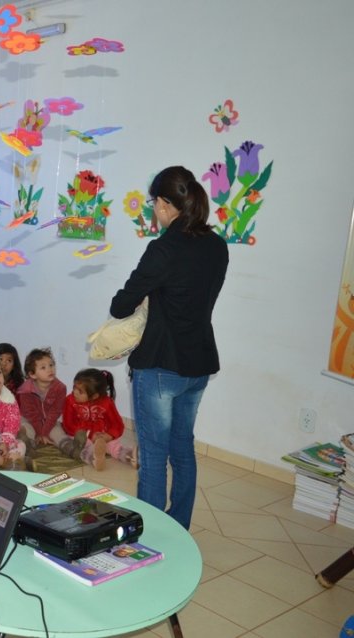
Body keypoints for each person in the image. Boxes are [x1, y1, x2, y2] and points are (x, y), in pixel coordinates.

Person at [110, 165, 228, 528]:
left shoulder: (164, 248)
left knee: (156, 453)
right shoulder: (216, 245)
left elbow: (121, 305)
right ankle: (178, 529)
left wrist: (150, 294)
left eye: (154, 204)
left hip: (161, 366)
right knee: (183, 450)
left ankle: (151, 536)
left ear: (164, 204)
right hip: (199, 364)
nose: (154, 211)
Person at [62, 369, 134, 471]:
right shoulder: (70, 400)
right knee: (82, 444)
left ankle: (129, 455)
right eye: (74, 388)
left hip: (101, 435)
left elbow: (117, 424)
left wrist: (109, 435)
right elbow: (68, 424)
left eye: (80, 391)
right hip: (80, 434)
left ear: (95, 396)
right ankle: (93, 457)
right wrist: (88, 435)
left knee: (113, 445)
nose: (75, 392)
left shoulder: (107, 403)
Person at [16, 348, 69, 449]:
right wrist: (40, 433)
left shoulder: (60, 388)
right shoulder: (25, 390)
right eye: (43, 367)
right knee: (27, 430)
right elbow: (32, 415)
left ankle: (70, 447)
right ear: (32, 374)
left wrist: (44, 433)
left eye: (51, 365)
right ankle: (25, 446)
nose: (50, 369)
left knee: (58, 433)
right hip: (29, 420)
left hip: (49, 420)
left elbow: (55, 412)